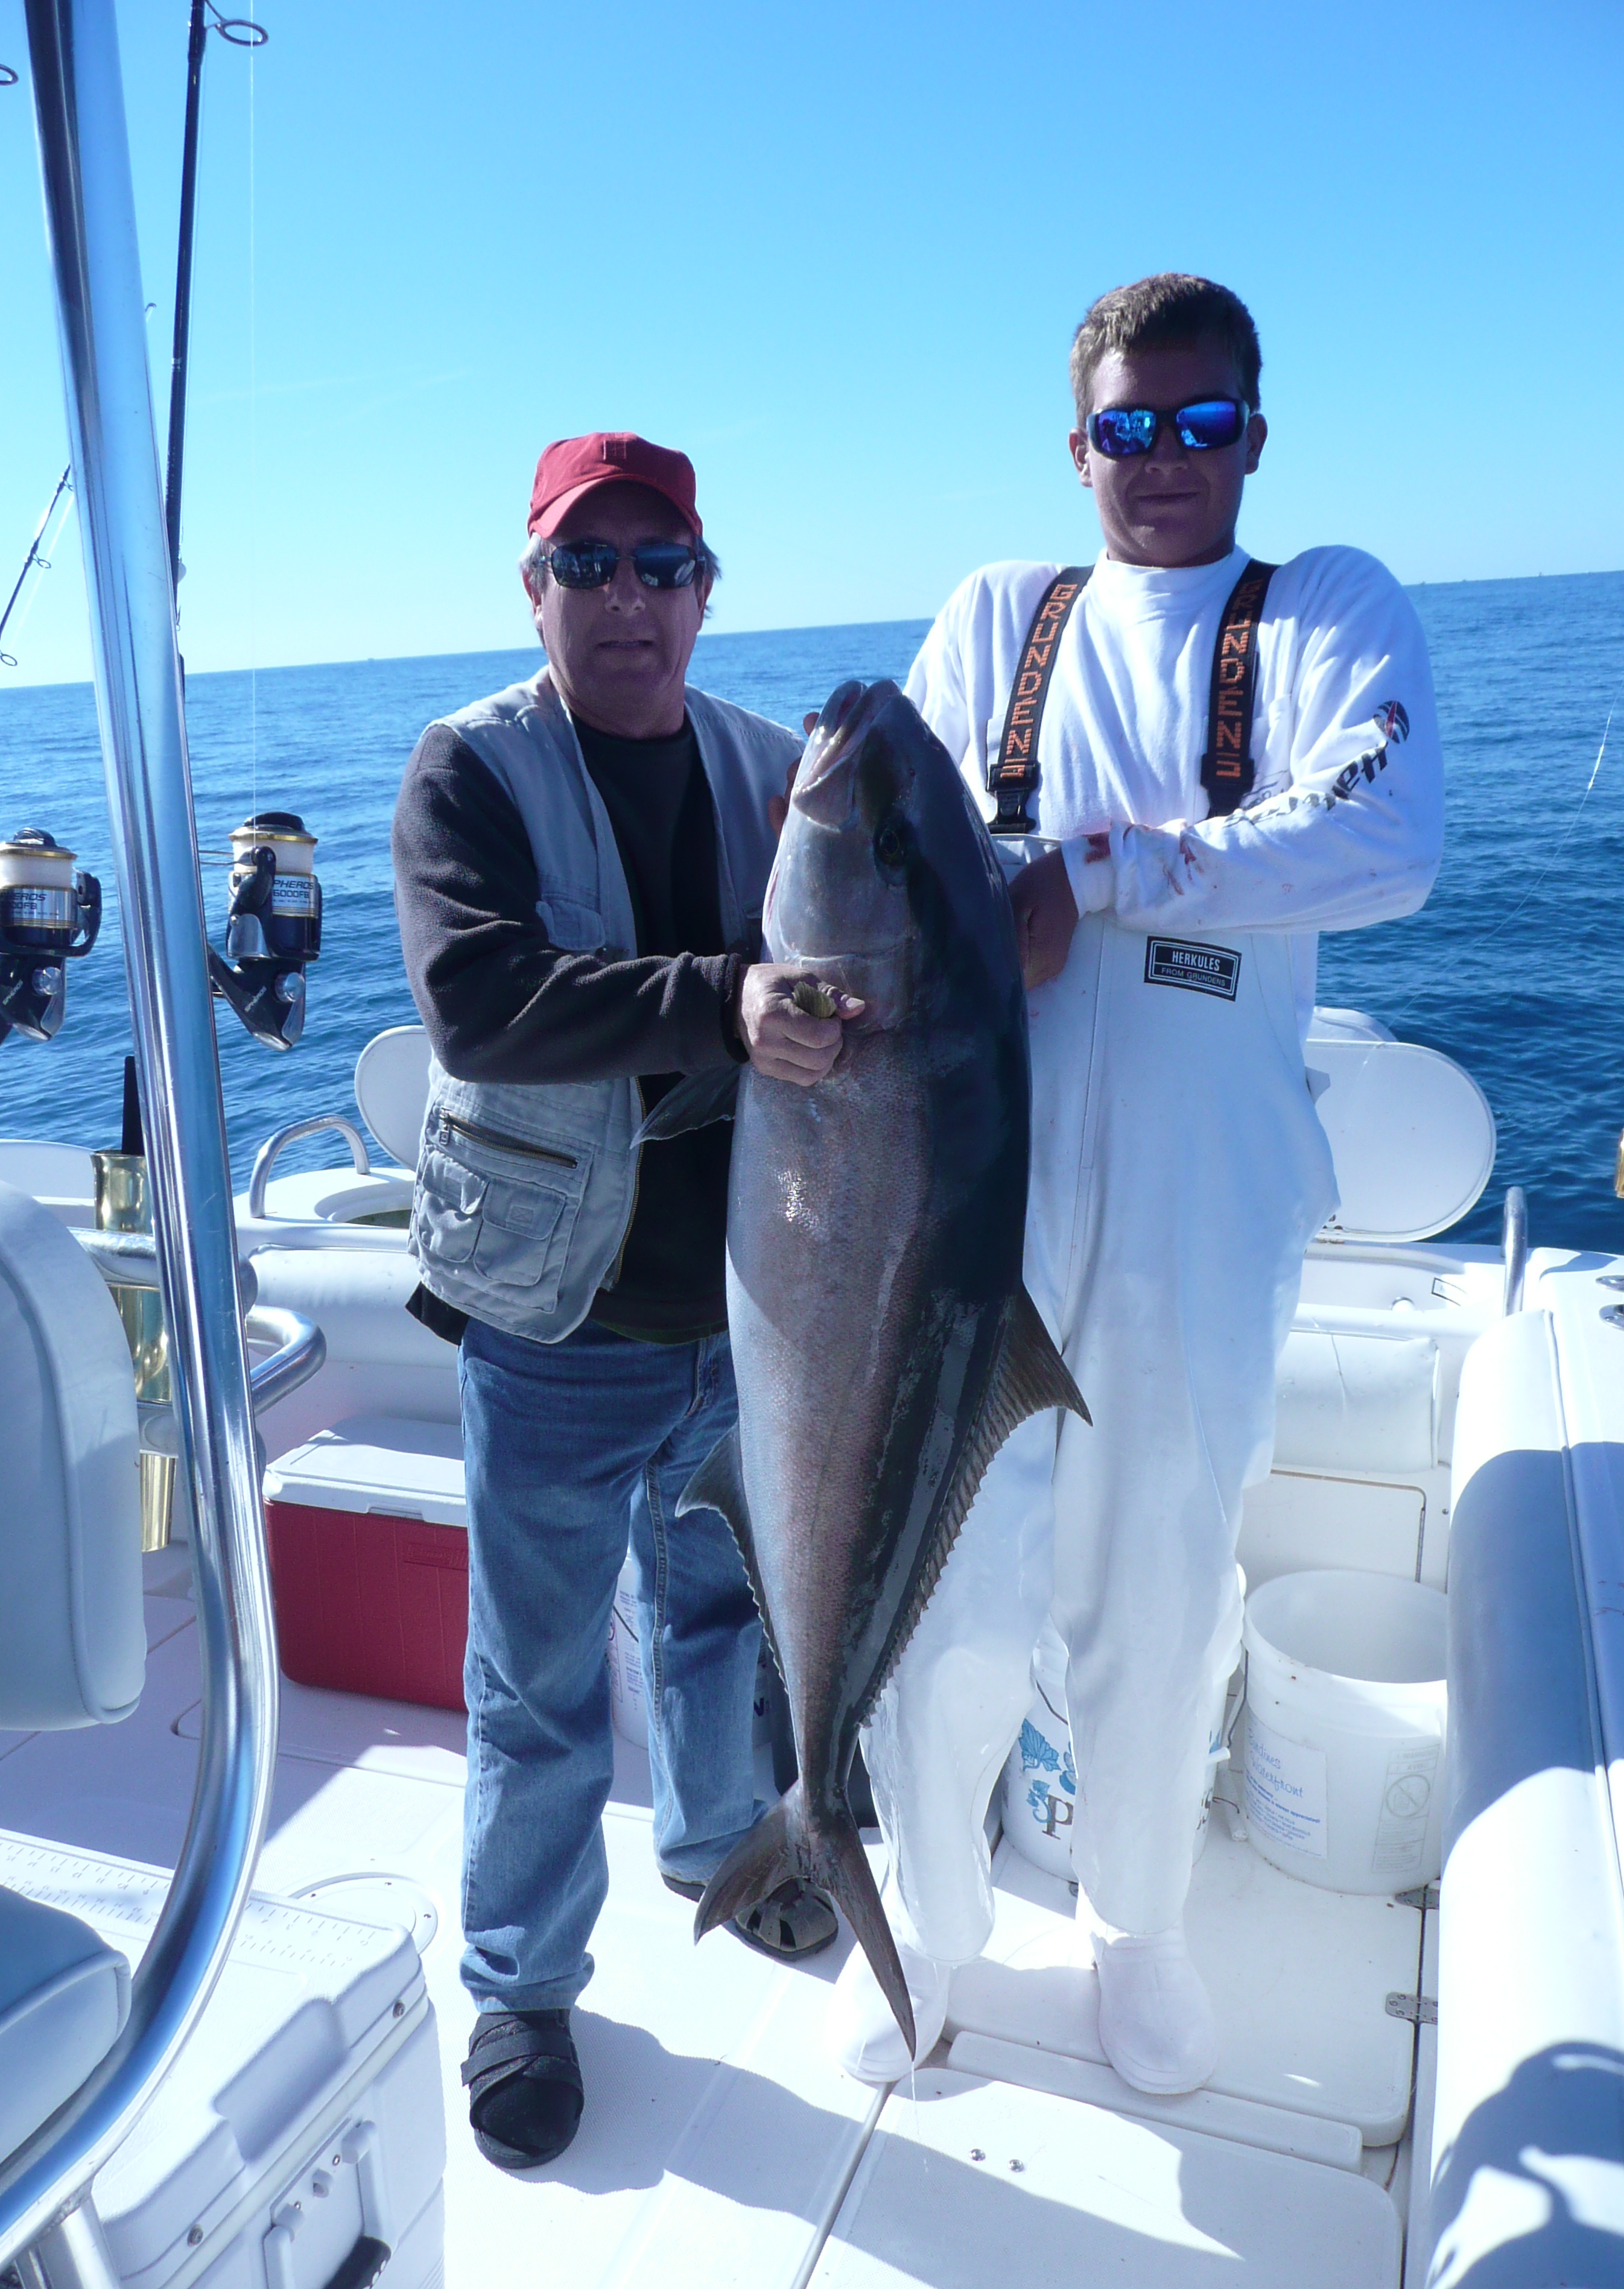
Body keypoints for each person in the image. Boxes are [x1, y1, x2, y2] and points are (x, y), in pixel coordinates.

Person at [831, 273, 1444, 2091]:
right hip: (973, 1189)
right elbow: (894, 835)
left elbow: (1385, 834)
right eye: (1126, 426)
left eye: (1199, 424)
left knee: (1164, 1576)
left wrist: (1091, 871)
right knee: (943, 1583)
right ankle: (933, 1930)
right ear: (1076, 442)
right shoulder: (995, 617)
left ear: (1254, 432)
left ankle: (1135, 1932)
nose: (1163, 460)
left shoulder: (1327, 608)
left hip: (1211, 1189)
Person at [393, 431, 859, 2171]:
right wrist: (731, 998)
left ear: (706, 589)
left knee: (721, 1626)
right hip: (554, 1328)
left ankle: (722, 1855)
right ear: (536, 591)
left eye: (660, 563)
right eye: (587, 565)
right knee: (534, 1684)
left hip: (752, 1322)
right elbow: (480, 1003)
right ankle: (519, 1986)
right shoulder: (473, 773)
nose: (628, 600)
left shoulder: (780, 776)